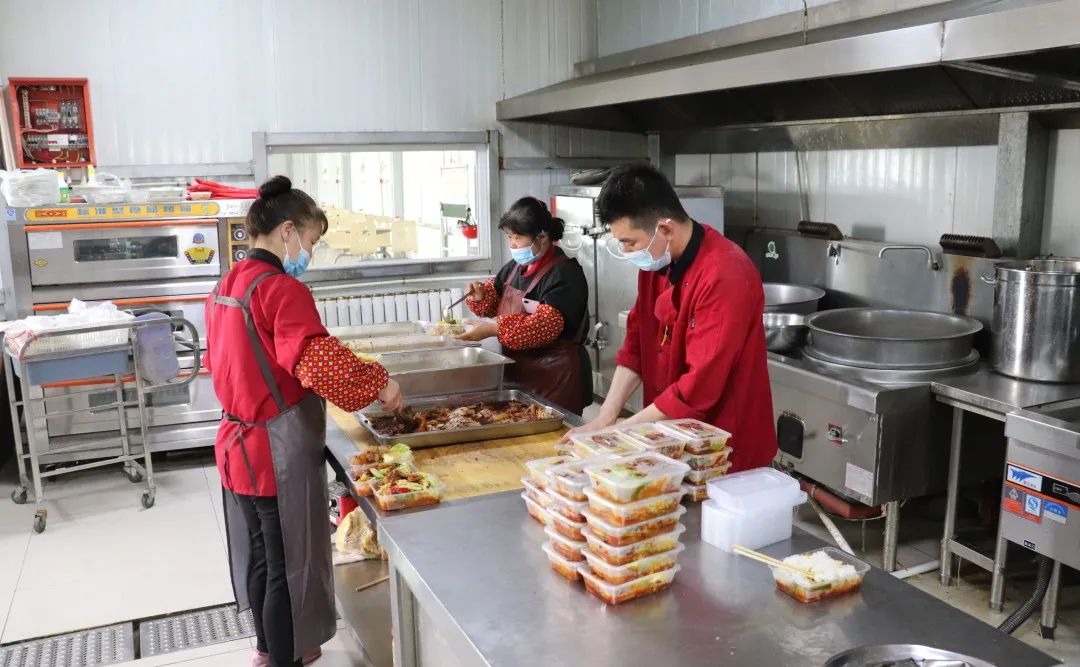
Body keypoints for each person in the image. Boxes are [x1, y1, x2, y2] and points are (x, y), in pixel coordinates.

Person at [204, 176, 403, 667]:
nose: (310, 253)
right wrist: (379, 383)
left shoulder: (226, 285)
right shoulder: (280, 289)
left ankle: (269, 649)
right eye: (312, 241)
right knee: (286, 565)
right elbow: (320, 364)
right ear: (288, 231)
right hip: (274, 451)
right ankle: (283, 658)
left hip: (236, 443)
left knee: (263, 555)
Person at [566, 165, 776, 472]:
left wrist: (622, 434)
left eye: (630, 242)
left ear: (665, 229)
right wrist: (605, 418)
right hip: (671, 441)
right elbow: (637, 343)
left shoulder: (724, 275)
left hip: (724, 452)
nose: (626, 251)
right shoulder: (656, 262)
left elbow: (698, 387)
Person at [456, 196, 592, 415]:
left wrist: (493, 329)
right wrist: (480, 296)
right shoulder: (515, 267)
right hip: (519, 373)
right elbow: (493, 299)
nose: (512, 245)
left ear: (542, 236)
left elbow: (543, 326)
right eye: (509, 237)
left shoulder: (564, 273)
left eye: (517, 238)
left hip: (556, 376)